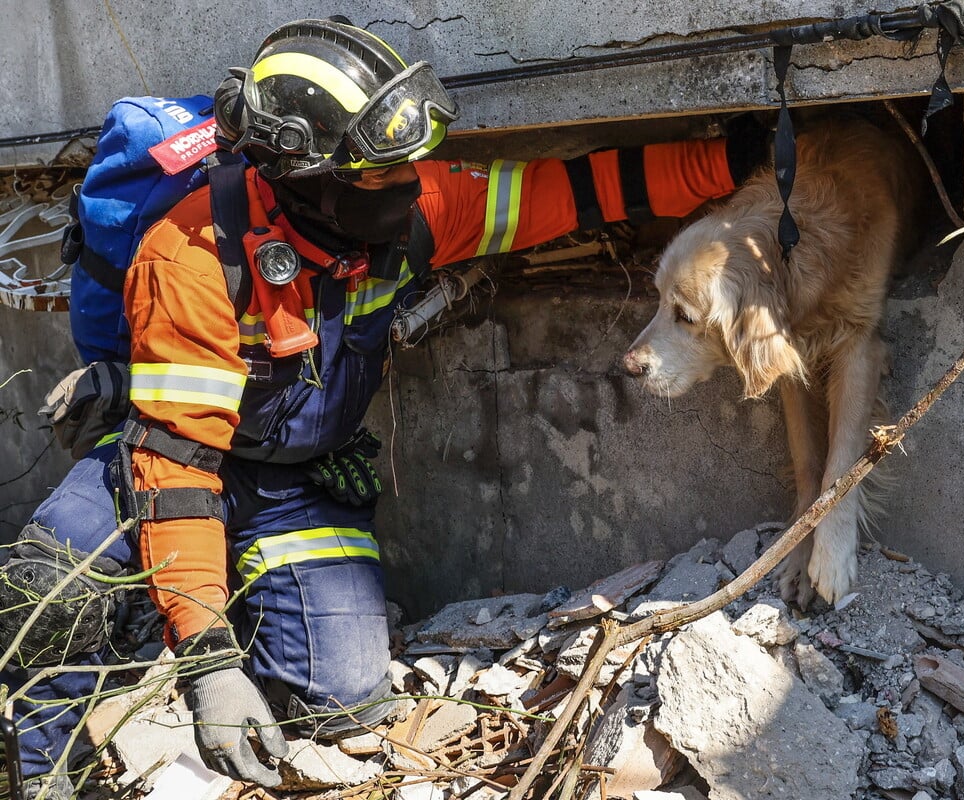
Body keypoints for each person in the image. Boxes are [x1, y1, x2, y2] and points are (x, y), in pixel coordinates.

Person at [0, 16, 770, 798]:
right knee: (51, 587)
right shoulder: (192, 258)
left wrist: (727, 160)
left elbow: (564, 192)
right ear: (306, 176)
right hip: (171, 468)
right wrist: (206, 664)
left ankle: (222, 612)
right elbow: (178, 473)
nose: (410, 183)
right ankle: (45, 770)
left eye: (408, 165)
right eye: (379, 173)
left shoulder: (413, 211)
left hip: (291, 485)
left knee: (344, 697)